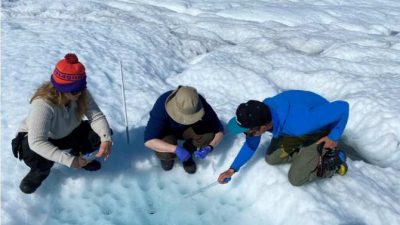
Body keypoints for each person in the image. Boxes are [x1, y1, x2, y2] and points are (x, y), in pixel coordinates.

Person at [11, 53, 113, 194]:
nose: (79, 93)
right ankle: (40, 171)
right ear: (61, 88)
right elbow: (37, 141)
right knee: (32, 152)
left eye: (81, 88)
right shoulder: (43, 104)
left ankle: (83, 158)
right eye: (75, 90)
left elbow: (96, 117)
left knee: (101, 134)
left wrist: (105, 139)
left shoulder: (81, 93)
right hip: (39, 138)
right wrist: (69, 161)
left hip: (67, 132)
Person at [218, 90, 349, 186]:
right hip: (298, 127)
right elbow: (251, 144)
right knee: (271, 158)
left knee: (296, 179)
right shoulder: (262, 113)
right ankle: (307, 155)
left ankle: (333, 161)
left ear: (264, 126)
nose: (247, 135)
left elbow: (342, 107)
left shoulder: (300, 124)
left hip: (319, 129)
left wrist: (334, 136)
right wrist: (232, 169)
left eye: (248, 132)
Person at [144, 86, 224, 174]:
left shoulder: (197, 102)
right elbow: (149, 141)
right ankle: (168, 158)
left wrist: (210, 147)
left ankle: (189, 151)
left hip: (187, 130)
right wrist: (175, 149)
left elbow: (219, 130)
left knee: (207, 135)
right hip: (166, 131)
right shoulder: (162, 105)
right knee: (165, 153)